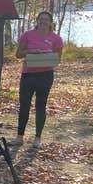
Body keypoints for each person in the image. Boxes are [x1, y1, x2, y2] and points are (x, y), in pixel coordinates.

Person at [13, 11, 63, 148]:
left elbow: (58, 59)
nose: (43, 22)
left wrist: (46, 56)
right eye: (41, 19)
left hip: (45, 75)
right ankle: (19, 137)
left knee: (41, 106)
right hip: (28, 74)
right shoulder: (27, 35)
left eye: (46, 19)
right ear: (37, 21)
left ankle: (37, 138)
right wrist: (31, 52)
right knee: (24, 105)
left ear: (50, 22)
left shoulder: (56, 38)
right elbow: (18, 54)